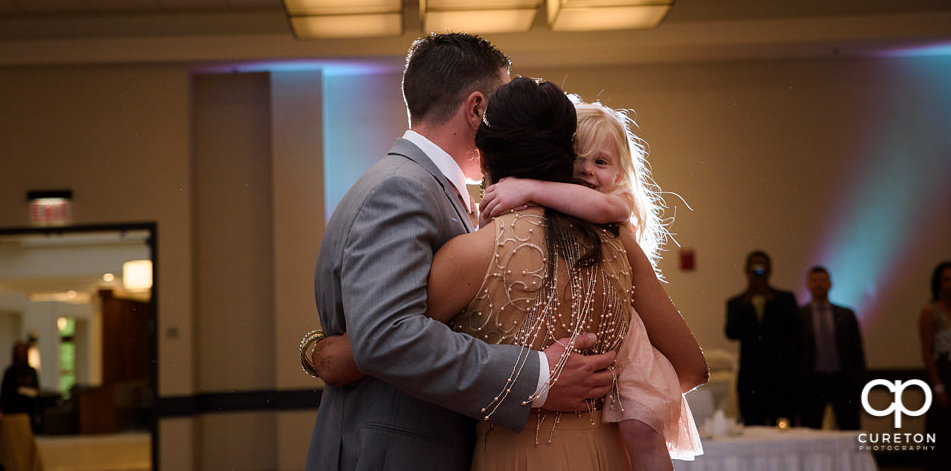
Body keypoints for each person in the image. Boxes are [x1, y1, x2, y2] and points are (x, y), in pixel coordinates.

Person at [305, 34, 617, 471]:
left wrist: (319, 351)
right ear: (476, 109)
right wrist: (536, 377)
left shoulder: (429, 188)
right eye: (501, 105)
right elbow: (388, 333)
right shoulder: (403, 188)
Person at [426, 77, 706, 469]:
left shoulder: (470, 253)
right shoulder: (615, 242)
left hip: (513, 453)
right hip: (609, 452)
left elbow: (396, 347)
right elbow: (690, 369)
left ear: (485, 158)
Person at [724, 250, 800, 426]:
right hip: (751, 379)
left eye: (762, 269)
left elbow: (794, 326)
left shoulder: (784, 299)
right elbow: (730, 332)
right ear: (746, 271)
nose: (758, 273)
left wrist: (770, 299)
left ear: (769, 270)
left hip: (780, 379)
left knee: (783, 428)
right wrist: (747, 303)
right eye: (754, 269)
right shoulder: (737, 302)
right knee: (752, 427)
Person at [798, 266, 866, 430]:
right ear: (808, 285)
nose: (819, 285)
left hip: (842, 380)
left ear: (830, 284)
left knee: (849, 428)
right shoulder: (799, 315)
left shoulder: (845, 315)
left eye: (822, 280)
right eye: (814, 281)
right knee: (810, 429)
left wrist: (858, 381)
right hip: (812, 381)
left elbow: (857, 349)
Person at [918, 260, 951, 470]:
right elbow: (927, 352)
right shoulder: (930, 311)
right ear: (939, 284)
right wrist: (938, 386)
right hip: (944, 373)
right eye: (947, 280)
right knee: (942, 431)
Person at [0, 341, 42, 432]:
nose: (21, 354)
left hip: (28, 408)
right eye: (19, 352)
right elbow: (5, 391)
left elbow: (36, 388)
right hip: (13, 407)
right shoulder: (10, 372)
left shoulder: (31, 371)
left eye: (23, 351)